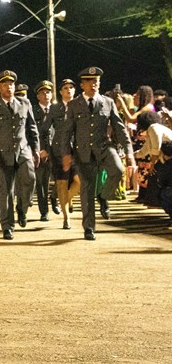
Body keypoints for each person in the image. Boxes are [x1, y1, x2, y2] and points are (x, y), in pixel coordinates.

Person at [60, 67, 135, 241]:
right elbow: (66, 132)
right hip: (83, 151)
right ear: (82, 85)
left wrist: (129, 151)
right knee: (86, 190)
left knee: (118, 170)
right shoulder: (73, 105)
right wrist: (66, 154)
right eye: (90, 82)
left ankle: (103, 195)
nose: (94, 85)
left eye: (97, 82)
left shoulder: (107, 102)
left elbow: (119, 128)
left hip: (104, 147)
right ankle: (89, 228)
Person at [0, 70, 40, 240]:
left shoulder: (25, 103)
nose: (9, 88)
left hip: (23, 150)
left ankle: (22, 209)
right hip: (3, 154)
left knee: (30, 179)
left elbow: (32, 128)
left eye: (11, 84)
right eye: (5, 85)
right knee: (6, 191)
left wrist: (36, 149)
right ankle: (7, 226)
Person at [45, 78, 81, 229]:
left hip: (78, 149)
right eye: (65, 88)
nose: (68, 90)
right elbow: (44, 129)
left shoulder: (81, 106)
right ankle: (66, 218)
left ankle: (62, 198)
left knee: (79, 181)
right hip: (59, 150)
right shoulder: (55, 109)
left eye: (71, 88)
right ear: (60, 92)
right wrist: (44, 147)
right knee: (61, 183)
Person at [33, 80, 59, 221]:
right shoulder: (33, 110)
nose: (46, 94)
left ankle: (54, 197)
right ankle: (44, 211)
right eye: (43, 92)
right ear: (38, 96)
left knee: (62, 178)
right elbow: (31, 132)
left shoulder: (57, 109)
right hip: (40, 152)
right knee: (41, 182)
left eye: (48, 92)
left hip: (56, 150)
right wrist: (39, 150)